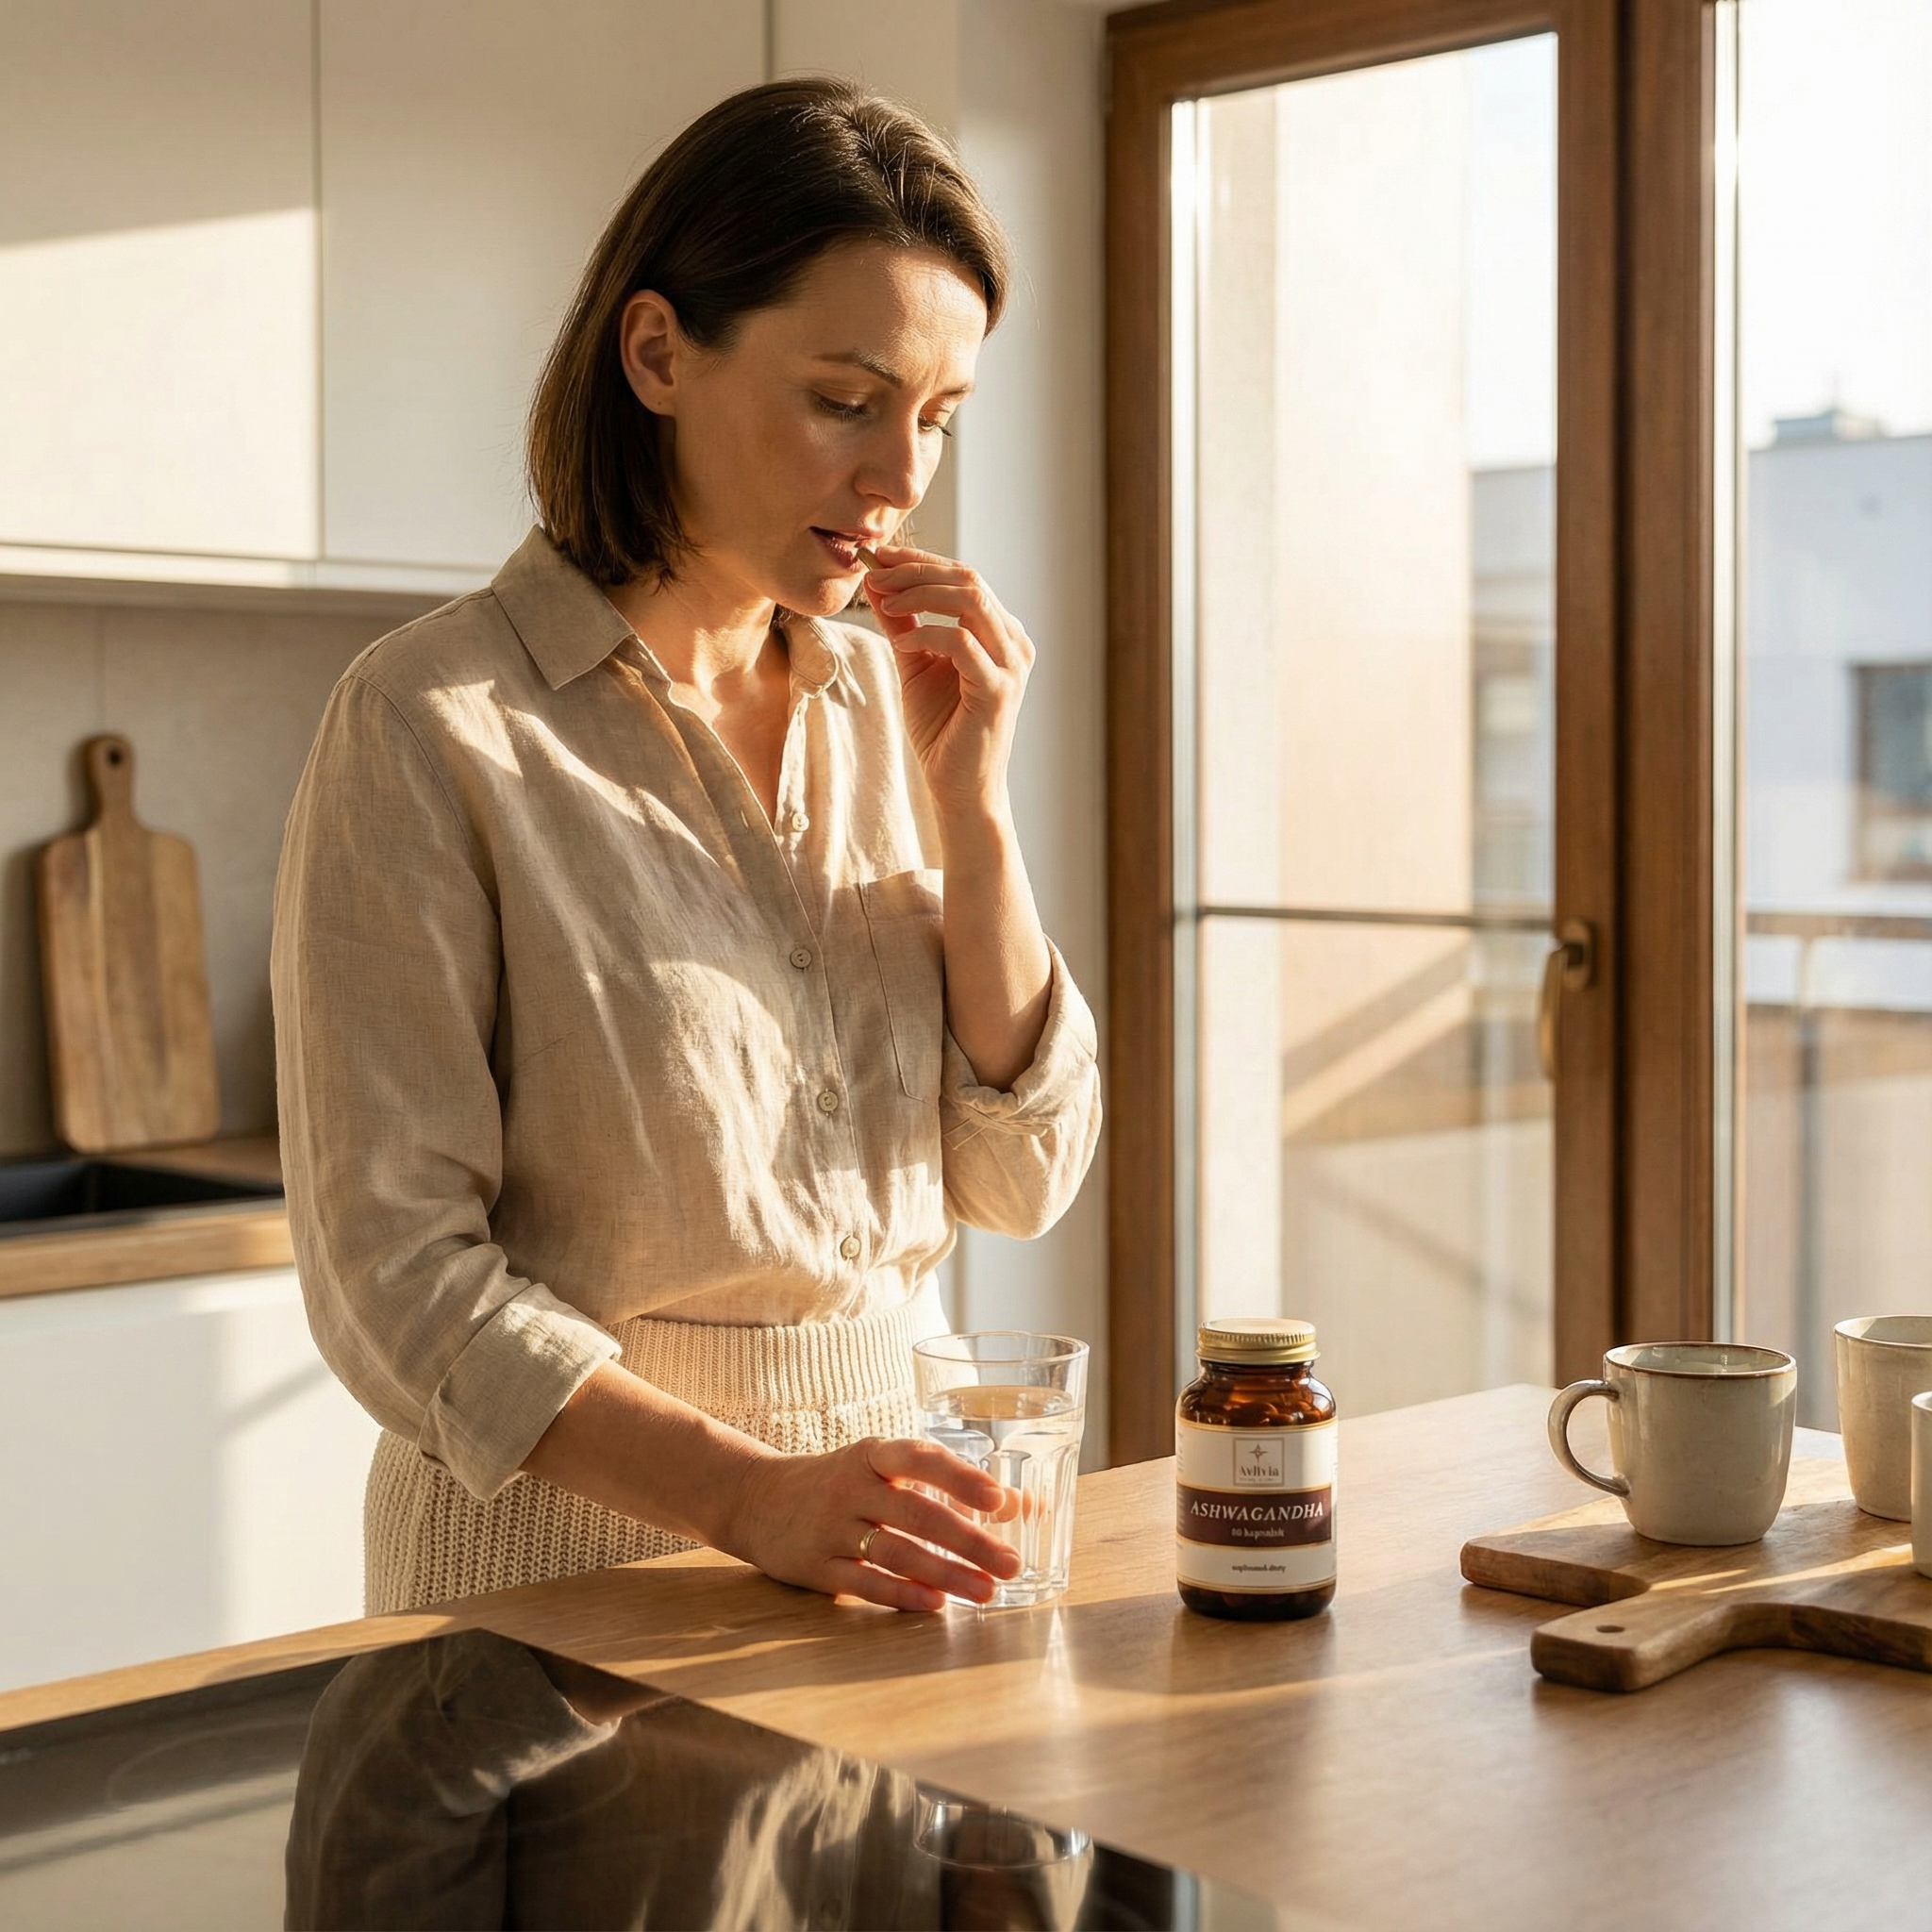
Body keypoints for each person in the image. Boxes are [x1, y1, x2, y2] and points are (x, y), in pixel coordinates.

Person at [271, 76, 1101, 1619]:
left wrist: (977, 806)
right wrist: (745, 1496)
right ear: (656, 353)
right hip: (553, 1586)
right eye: (845, 400)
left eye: (934, 418)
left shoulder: (892, 705)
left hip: (881, 1552)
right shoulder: (428, 721)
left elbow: (1023, 1175)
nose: (900, 479)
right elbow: (394, 1279)